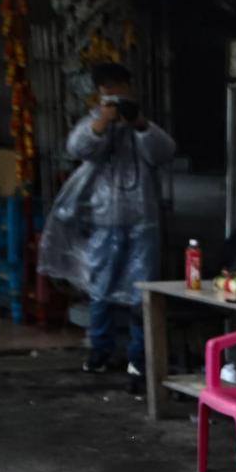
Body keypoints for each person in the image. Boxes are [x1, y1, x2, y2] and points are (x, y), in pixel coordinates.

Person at [66, 62, 175, 387]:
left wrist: (138, 123)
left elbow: (164, 152)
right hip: (104, 218)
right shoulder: (93, 124)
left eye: (119, 87)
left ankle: (140, 357)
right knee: (101, 287)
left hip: (143, 220)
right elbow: (78, 149)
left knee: (143, 290)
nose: (114, 94)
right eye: (107, 89)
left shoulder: (142, 126)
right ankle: (100, 350)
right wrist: (102, 122)